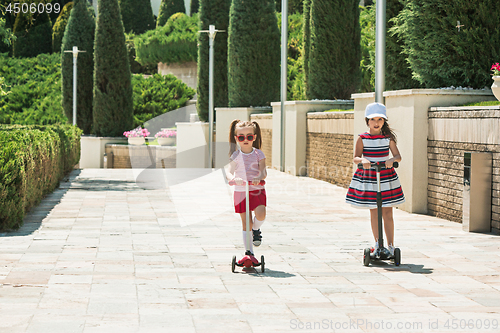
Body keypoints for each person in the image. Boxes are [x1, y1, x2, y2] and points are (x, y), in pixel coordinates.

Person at [346, 102, 405, 255]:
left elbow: (398, 156)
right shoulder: (362, 138)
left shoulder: (388, 138)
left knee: (387, 213)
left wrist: (392, 160)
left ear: (384, 121)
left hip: (386, 178)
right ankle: (378, 244)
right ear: (367, 121)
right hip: (371, 178)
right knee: (374, 212)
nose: (377, 123)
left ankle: (391, 245)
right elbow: (356, 158)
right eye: (373, 119)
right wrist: (363, 161)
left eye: (380, 119)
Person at [226, 120, 267, 256]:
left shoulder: (258, 154)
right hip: (241, 192)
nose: (245, 140)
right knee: (246, 223)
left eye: (249, 137)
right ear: (236, 138)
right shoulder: (236, 156)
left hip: (256, 190)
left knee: (261, 214)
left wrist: (259, 177)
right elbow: (229, 171)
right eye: (241, 137)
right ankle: (249, 252)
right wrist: (233, 179)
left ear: (254, 138)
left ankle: (256, 229)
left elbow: (263, 171)